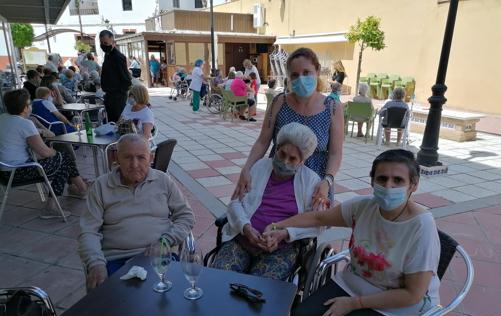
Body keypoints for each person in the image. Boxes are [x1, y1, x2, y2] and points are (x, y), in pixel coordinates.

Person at [268, 149, 440, 316]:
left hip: (400, 307)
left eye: (398, 180)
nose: (388, 186)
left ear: (414, 184)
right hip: (353, 284)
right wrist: (277, 226)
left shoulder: (421, 226)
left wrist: (354, 304)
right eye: (382, 179)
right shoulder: (363, 207)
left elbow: (412, 294)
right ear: (372, 181)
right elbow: (317, 217)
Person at [78, 134, 195, 290]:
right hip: (115, 260)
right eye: (128, 157)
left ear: (150, 158)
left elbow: (186, 216)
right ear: (116, 158)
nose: (134, 164)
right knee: (115, 307)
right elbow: (88, 231)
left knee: (173, 300)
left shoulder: (163, 181)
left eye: (141, 157)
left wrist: (165, 241)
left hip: (158, 256)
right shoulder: (101, 186)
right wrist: (95, 263)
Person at [232, 47, 344, 209]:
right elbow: (263, 142)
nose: (301, 78)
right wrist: (247, 169)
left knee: (305, 229)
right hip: (278, 175)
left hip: (315, 182)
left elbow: (335, 152)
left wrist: (327, 181)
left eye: (306, 72)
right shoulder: (279, 103)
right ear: (289, 77)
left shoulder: (332, 108)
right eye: (295, 75)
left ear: (318, 70)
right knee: (269, 220)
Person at [211, 123, 322, 280]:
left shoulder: (311, 181)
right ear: (276, 148)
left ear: (302, 161)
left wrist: (285, 234)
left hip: (281, 248)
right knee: (219, 278)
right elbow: (235, 203)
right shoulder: (259, 167)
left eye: (292, 159)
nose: (285, 162)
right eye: (282, 154)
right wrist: (246, 227)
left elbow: (318, 223)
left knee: (260, 291)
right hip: (242, 240)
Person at [0, 89, 88, 218]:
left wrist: (40, 132)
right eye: (29, 104)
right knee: (63, 159)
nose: (31, 107)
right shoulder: (25, 124)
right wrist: (56, 153)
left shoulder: (3, 119)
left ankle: (79, 188)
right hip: (18, 172)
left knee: (62, 159)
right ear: (25, 108)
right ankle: (59, 202)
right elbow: (45, 152)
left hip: (3, 172)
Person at [100, 30, 132, 123]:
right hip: (109, 95)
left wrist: (120, 94)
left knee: (117, 122)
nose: (103, 45)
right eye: (101, 43)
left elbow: (126, 78)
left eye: (105, 43)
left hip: (117, 97)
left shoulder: (118, 57)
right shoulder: (107, 55)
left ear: (112, 41)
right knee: (111, 122)